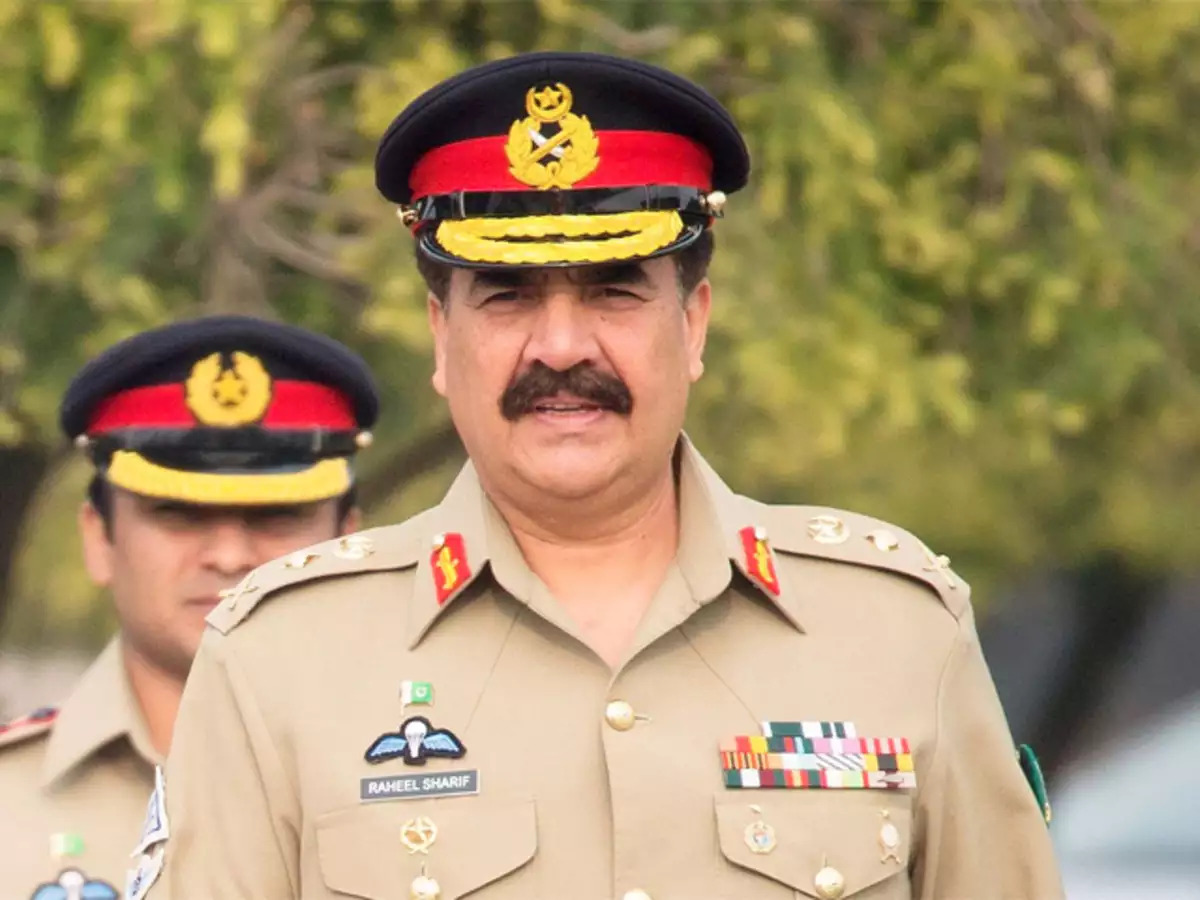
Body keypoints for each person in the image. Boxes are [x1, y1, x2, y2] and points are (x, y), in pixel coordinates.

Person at [131, 53, 1063, 900]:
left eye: (615, 290)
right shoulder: (280, 660)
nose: (562, 347)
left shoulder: (894, 629)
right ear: (441, 337)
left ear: (692, 324)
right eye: (508, 297)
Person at [0, 316, 378, 899]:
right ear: (99, 539)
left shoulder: (452, 774)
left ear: (349, 541)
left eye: (277, 516)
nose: (229, 557)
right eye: (178, 514)